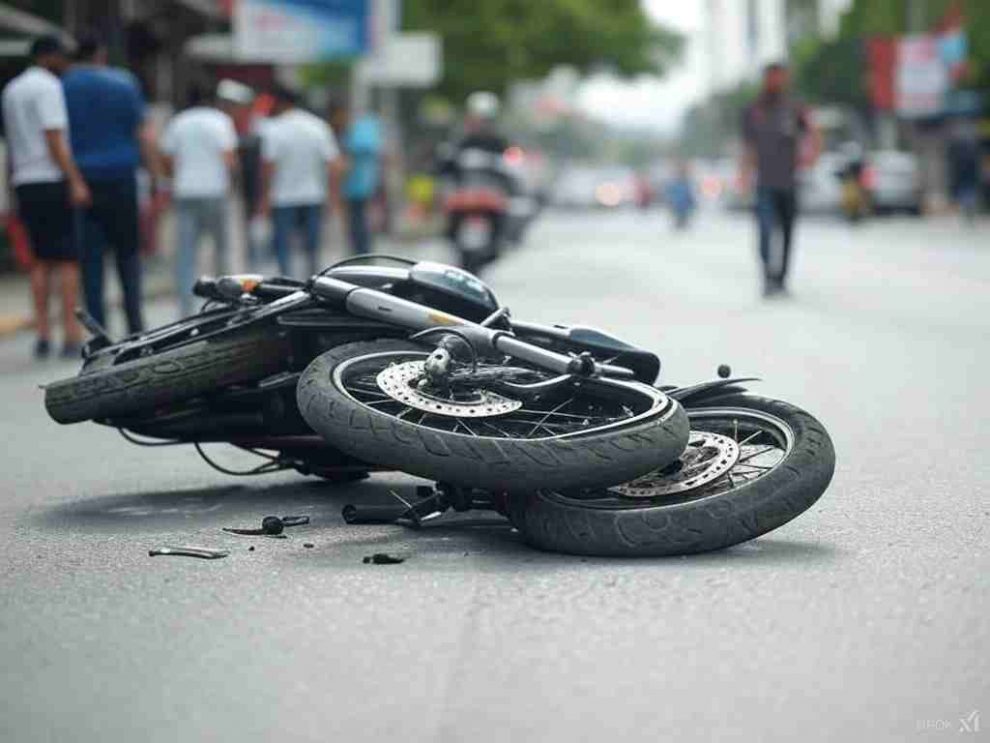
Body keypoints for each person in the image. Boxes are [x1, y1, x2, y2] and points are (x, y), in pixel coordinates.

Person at [62, 34, 158, 333]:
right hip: (122, 179)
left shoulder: (63, 86)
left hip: (83, 181)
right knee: (128, 255)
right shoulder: (124, 83)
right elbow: (143, 134)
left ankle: (99, 330)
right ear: (101, 55)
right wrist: (156, 176)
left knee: (91, 261)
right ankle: (135, 324)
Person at [2, 36, 88, 358]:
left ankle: (42, 334)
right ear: (48, 57)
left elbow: (12, 142)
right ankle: (69, 333)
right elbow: (53, 137)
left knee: (38, 261)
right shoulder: (48, 87)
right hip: (51, 180)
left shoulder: (12, 90)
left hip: (24, 181)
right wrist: (75, 179)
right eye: (63, 57)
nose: (66, 64)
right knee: (67, 261)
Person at [740, 62, 821, 297]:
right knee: (765, 231)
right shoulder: (753, 110)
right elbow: (747, 146)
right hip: (764, 182)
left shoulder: (795, 108)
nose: (776, 81)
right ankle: (767, 277)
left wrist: (811, 157)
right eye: (772, 77)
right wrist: (744, 175)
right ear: (765, 79)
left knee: (787, 232)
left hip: (789, 181)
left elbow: (814, 133)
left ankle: (782, 279)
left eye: (781, 77)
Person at [160, 84, 238, 317]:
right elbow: (229, 158)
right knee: (221, 248)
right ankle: (225, 303)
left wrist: (176, 176)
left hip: (186, 192)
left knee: (185, 253)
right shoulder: (221, 121)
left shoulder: (178, 122)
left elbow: (166, 157)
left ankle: (186, 307)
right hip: (215, 191)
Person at [257, 85, 339, 277]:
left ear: (280, 103)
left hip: (283, 197)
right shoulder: (318, 126)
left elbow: (269, 167)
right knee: (312, 247)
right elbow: (333, 164)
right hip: (313, 196)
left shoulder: (274, 129)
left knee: (283, 247)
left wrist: (264, 198)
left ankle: (287, 283)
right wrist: (333, 197)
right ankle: (313, 283)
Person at [330, 102, 382, 255]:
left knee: (358, 219)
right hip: (354, 185)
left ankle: (361, 249)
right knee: (355, 219)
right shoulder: (353, 132)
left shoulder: (357, 132)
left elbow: (361, 152)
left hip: (359, 185)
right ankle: (358, 249)